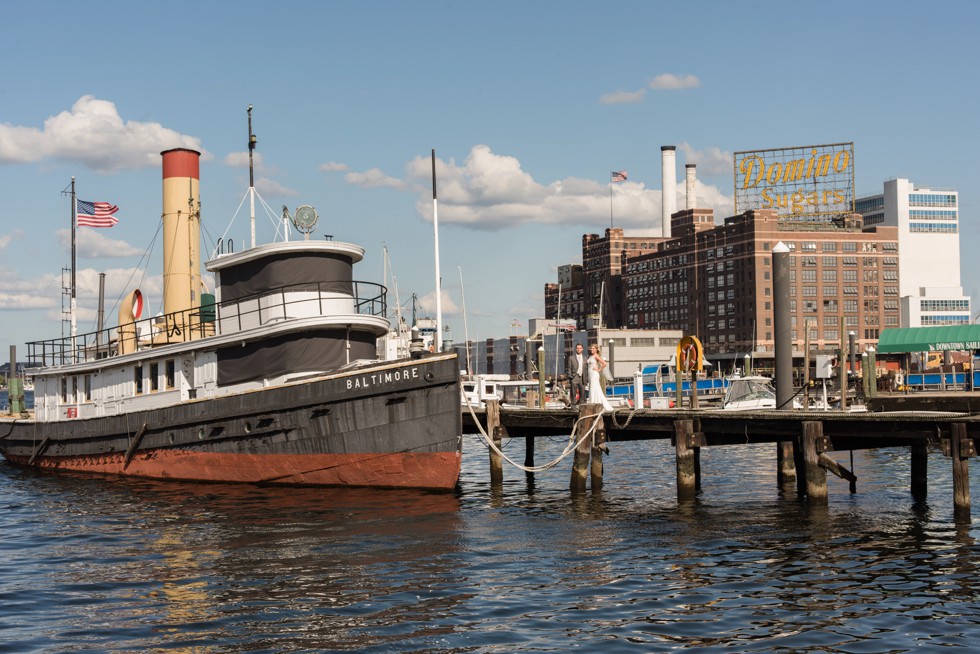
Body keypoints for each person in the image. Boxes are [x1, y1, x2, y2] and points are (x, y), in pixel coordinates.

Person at [587, 344, 613, 411]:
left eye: (593, 348)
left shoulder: (596, 356)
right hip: (590, 374)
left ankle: (593, 403)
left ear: (596, 349)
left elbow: (604, 363)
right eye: (591, 348)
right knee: (593, 388)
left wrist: (599, 370)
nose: (592, 349)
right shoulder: (590, 356)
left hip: (594, 374)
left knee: (594, 388)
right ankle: (594, 402)